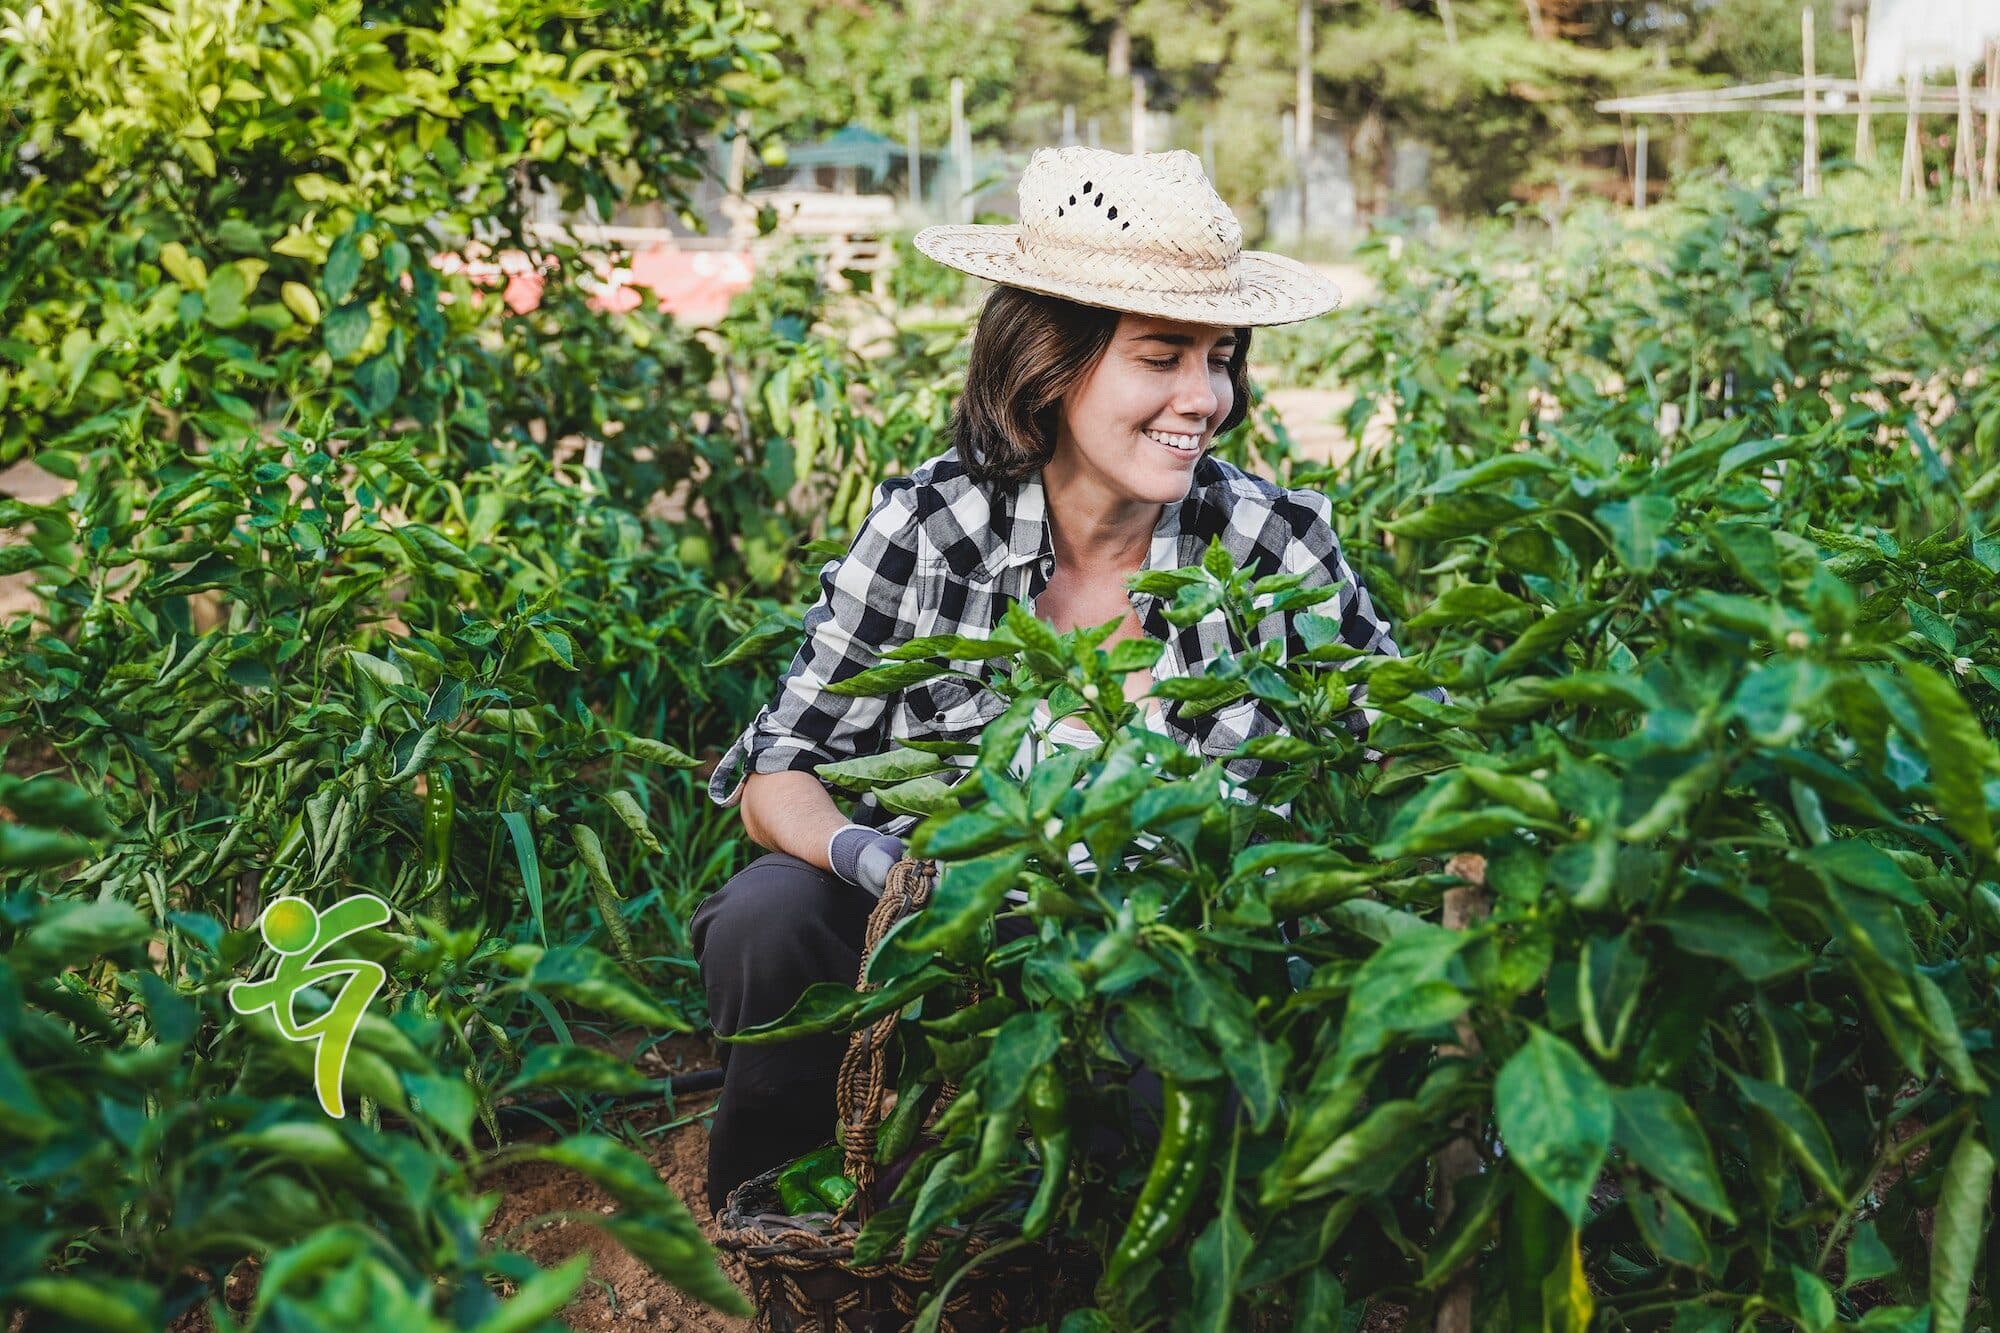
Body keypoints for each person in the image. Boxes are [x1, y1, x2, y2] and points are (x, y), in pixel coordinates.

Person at [692, 144, 1415, 1215]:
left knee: (1134, 1104)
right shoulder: (933, 530)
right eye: (1161, 356)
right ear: (1050, 364)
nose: (1202, 397)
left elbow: (1402, 744)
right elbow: (776, 771)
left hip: (1163, 950)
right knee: (770, 915)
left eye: (1218, 357)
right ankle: (794, 1221)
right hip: (941, 942)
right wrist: (870, 855)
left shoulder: (1269, 540)